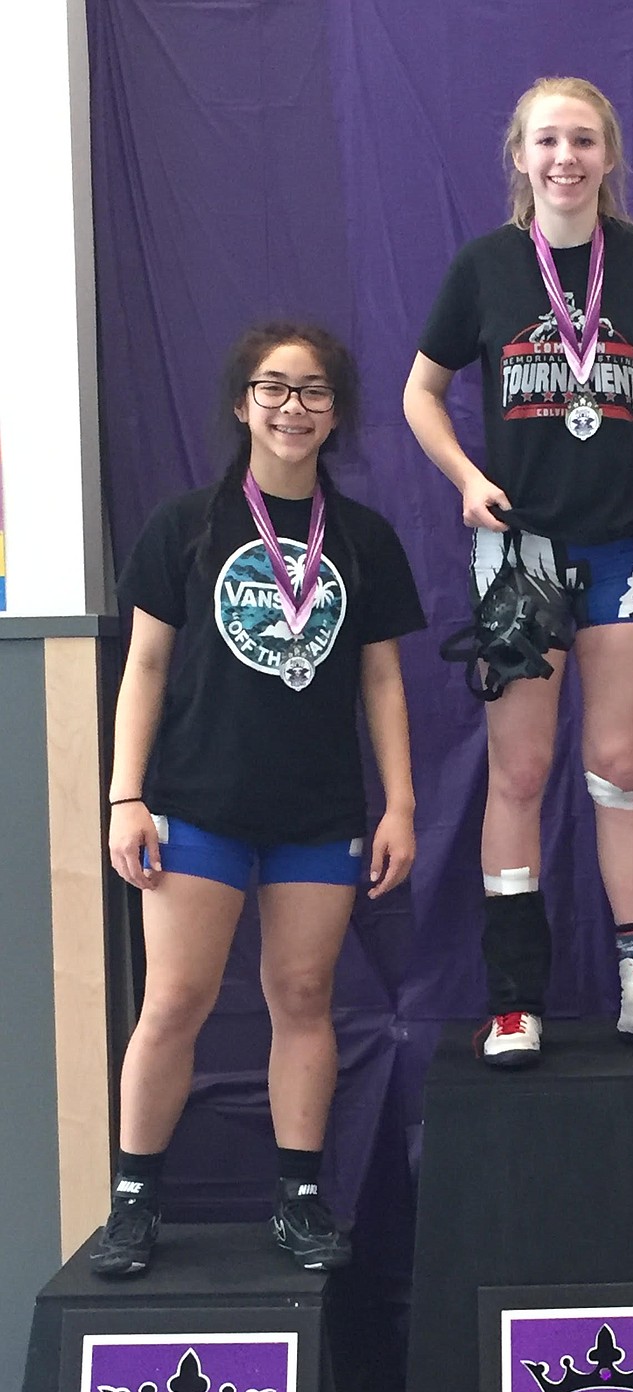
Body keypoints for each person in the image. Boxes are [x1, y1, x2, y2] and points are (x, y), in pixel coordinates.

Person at [93, 321, 425, 1277]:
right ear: (243, 403)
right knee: (177, 1000)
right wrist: (125, 797)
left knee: (305, 995)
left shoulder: (362, 540)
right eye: (274, 388)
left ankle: (300, 1199)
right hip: (196, 804)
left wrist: (397, 804)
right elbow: (145, 666)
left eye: (314, 391)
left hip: (318, 815)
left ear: (336, 415)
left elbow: (382, 685)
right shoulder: (184, 527)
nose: (293, 406)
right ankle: (133, 1202)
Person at [403, 75, 633, 1067]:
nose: (566, 157)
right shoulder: (487, 266)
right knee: (523, 771)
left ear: (609, 156)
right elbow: (420, 392)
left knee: (620, 770)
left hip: (625, 544)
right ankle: (513, 1000)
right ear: (521, 156)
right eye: (548, 140)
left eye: (583, 139)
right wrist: (464, 477)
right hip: (519, 550)